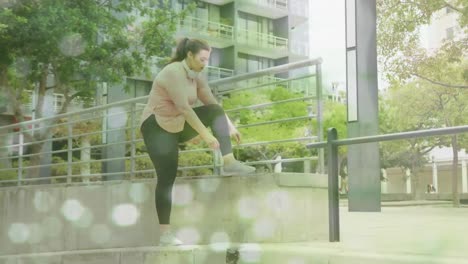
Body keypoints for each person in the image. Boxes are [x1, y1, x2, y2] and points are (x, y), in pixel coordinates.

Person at [139, 38, 256, 246]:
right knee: (167, 178)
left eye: (207, 60)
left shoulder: (197, 77)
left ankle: (229, 162)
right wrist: (206, 136)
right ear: (190, 56)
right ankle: (165, 235)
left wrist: (229, 125)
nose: (205, 64)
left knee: (215, 111)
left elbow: (211, 103)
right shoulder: (173, 72)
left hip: (176, 124)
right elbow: (185, 108)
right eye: (202, 59)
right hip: (155, 126)